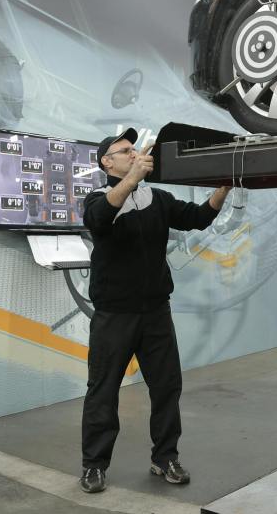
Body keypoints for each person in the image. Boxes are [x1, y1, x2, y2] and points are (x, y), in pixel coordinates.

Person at [79, 128, 230, 493]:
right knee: (103, 391)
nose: (133, 153)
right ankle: (93, 465)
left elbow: (198, 217)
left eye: (134, 149)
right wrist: (133, 177)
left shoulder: (158, 199)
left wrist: (224, 187)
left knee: (166, 389)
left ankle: (165, 458)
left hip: (156, 313)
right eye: (125, 150)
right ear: (107, 162)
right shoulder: (98, 199)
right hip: (114, 315)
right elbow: (99, 219)